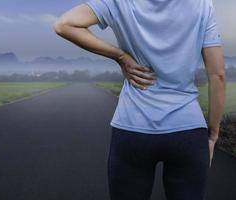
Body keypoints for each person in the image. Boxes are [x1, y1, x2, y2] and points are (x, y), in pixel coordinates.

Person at [54, 0, 226, 199]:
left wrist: (120, 56)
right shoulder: (202, 4)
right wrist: (213, 135)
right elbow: (218, 75)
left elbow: (64, 25)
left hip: (133, 129)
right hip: (187, 129)